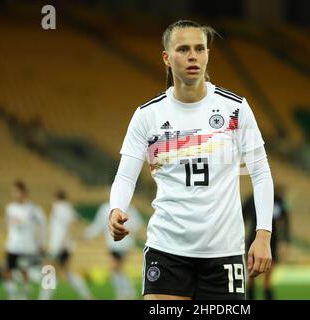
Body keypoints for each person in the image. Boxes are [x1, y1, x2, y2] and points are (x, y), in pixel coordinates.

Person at [109, 19, 274, 300]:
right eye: (183, 49)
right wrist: (116, 208)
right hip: (167, 248)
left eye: (200, 48)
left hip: (223, 251)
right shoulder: (148, 116)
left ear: (208, 54)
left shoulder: (235, 109)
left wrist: (263, 235)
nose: (193, 56)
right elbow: (125, 176)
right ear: (167, 58)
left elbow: (260, 173)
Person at [39, 190, 92, 300]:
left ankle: (44, 297)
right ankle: (86, 295)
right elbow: (75, 220)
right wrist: (82, 232)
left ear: (56, 197)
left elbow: (71, 222)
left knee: (50, 270)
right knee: (66, 272)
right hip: (66, 246)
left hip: (58, 246)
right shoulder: (67, 208)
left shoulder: (59, 207)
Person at [85, 201, 144, 299]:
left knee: (115, 268)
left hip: (122, 244)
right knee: (118, 269)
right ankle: (128, 293)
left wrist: (88, 234)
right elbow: (98, 225)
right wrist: (88, 234)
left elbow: (137, 225)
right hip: (116, 244)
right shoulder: (108, 208)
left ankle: (123, 293)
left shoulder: (125, 208)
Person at [244, 184, 291, 300]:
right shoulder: (251, 198)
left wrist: (285, 240)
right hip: (253, 240)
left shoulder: (277, 200)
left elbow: (285, 220)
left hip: (271, 241)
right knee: (252, 276)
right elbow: (242, 216)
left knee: (268, 277)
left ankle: (266, 293)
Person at [4, 180, 46, 299]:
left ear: (23, 193)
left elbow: (41, 225)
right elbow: (8, 224)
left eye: (16, 192)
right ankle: (12, 294)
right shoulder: (10, 208)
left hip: (27, 246)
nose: (14, 194)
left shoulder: (33, 209)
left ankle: (26, 292)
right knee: (7, 270)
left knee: (24, 270)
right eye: (13, 192)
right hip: (12, 245)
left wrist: (41, 242)